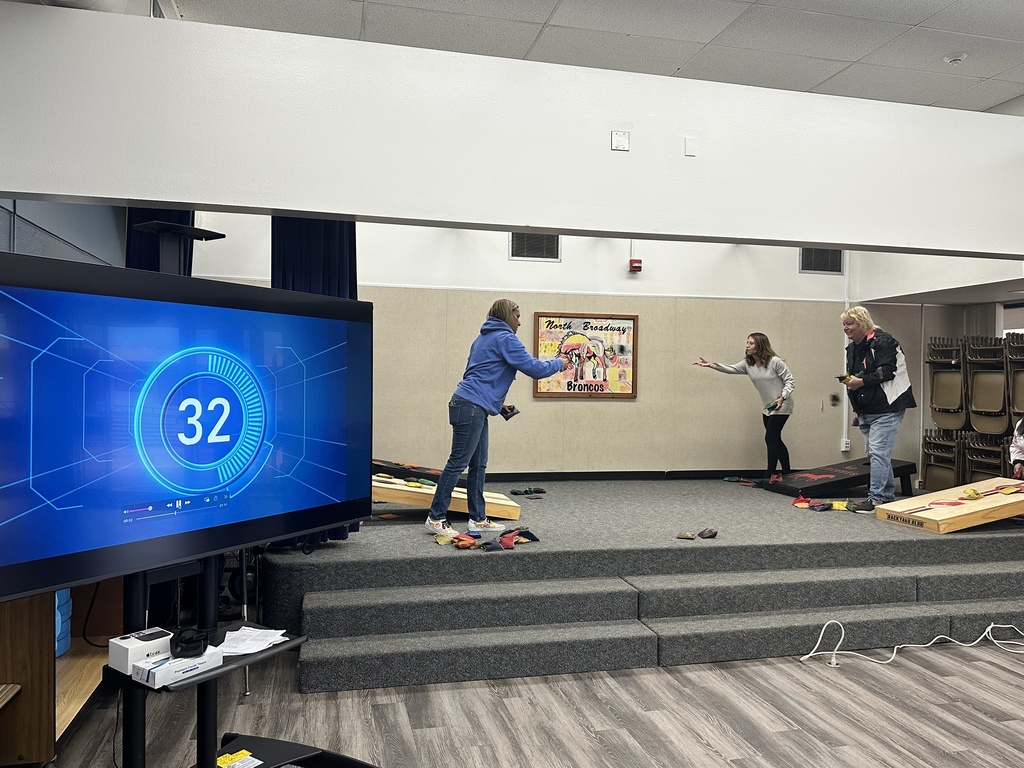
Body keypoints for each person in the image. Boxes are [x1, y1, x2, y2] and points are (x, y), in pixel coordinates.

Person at [426, 299, 567, 537]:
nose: (520, 322)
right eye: (517, 316)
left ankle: (478, 519)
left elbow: (477, 374)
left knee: (478, 464)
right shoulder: (505, 338)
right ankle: (436, 517)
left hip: (471, 404)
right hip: (471, 406)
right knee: (458, 462)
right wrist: (560, 362)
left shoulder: (482, 339)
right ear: (506, 315)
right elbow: (535, 369)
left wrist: (498, 404)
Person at [840, 306, 916, 513]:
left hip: (888, 406)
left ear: (862, 323)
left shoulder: (884, 341)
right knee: (875, 454)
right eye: (844, 324)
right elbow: (853, 377)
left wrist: (860, 382)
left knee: (878, 452)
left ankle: (876, 499)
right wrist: (856, 407)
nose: (846, 328)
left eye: (850, 324)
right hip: (867, 409)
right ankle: (887, 496)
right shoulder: (852, 348)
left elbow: (887, 372)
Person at [694, 332, 795, 487]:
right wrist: (712, 365)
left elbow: (790, 381)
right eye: (747, 342)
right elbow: (731, 368)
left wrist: (782, 397)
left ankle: (769, 474)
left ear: (760, 345)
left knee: (770, 438)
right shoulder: (748, 364)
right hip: (768, 407)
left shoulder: (775, 362)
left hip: (782, 404)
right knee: (775, 439)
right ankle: (787, 473)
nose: (747, 346)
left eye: (751, 343)